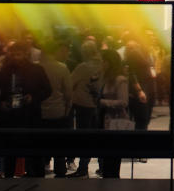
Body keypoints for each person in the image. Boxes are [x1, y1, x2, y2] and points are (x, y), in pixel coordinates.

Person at [0, 40, 52, 178]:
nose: (15, 58)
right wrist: (0, 104)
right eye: (13, 55)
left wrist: (34, 97)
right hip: (11, 116)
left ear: (25, 54)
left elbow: (48, 90)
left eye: (18, 55)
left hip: (30, 116)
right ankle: (9, 178)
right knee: (10, 154)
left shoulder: (36, 70)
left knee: (32, 151)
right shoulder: (6, 70)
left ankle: (34, 177)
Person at [68, 41, 102, 177]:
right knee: (99, 137)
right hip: (99, 105)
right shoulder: (102, 66)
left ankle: (83, 168)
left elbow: (70, 82)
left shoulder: (83, 67)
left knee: (85, 138)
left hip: (84, 105)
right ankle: (103, 166)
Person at [40, 42, 73, 178]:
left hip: (41, 112)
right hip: (58, 111)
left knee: (40, 144)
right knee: (59, 145)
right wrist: (67, 110)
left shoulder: (37, 67)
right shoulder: (62, 68)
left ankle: (40, 169)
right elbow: (68, 93)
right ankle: (60, 171)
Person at [98, 49, 129, 179]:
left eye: (103, 61)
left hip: (117, 121)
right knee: (107, 157)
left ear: (109, 63)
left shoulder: (120, 79)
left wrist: (103, 102)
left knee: (113, 158)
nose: (101, 64)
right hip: (106, 120)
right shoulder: (105, 79)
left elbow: (123, 102)